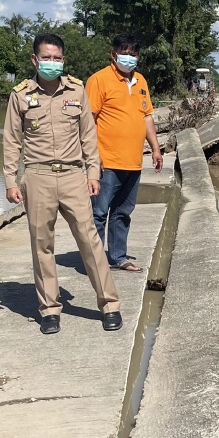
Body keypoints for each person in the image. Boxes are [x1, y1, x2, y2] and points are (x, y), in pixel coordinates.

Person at [3, 33, 122, 335]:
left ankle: (109, 304)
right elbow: (12, 141)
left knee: (89, 240)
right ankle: (50, 310)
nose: (52, 63)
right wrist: (10, 180)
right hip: (38, 177)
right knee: (42, 245)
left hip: (73, 176)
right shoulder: (20, 95)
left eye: (57, 58)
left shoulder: (77, 91)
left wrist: (93, 173)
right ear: (35, 60)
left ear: (63, 59)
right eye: (46, 58)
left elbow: (88, 136)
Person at [86, 33, 164, 273]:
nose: (128, 58)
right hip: (106, 161)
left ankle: (118, 257)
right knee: (99, 212)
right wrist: (93, 157)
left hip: (133, 162)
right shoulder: (99, 80)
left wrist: (156, 148)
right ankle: (95, 260)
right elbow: (88, 121)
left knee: (123, 212)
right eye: (124, 53)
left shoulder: (140, 81)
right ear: (113, 54)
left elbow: (147, 116)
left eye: (133, 54)